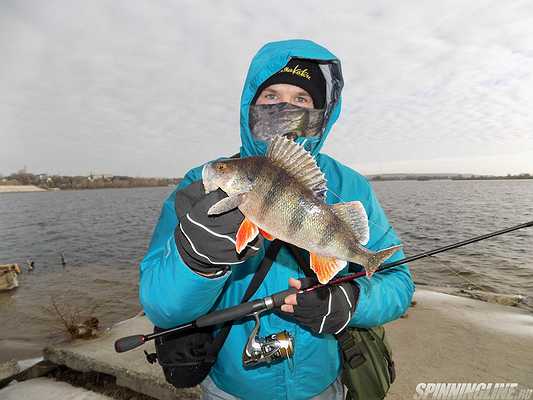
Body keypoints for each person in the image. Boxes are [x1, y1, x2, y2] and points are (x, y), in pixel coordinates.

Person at [139, 39, 415, 400]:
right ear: (249, 105)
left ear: (322, 112)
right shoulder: (197, 186)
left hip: (323, 387)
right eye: (271, 95)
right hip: (230, 391)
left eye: (301, 99)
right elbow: (162, 306)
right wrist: (195, 259)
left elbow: (398, 283)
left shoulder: (349, 185)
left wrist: (352, 302)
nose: (285, 107)